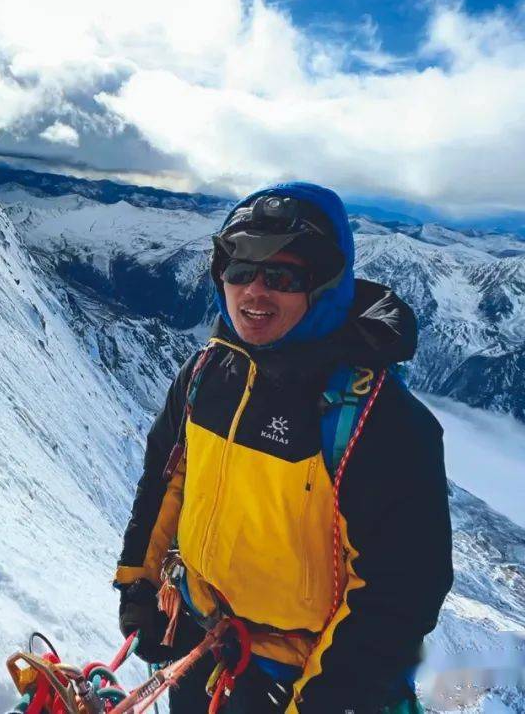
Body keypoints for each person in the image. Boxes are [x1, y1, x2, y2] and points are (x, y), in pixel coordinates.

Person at [114, 182, 453, 713]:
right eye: (239, 270)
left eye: (282, 276)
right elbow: (168, 475)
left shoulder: (380, 422)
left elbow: (397, 595)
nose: (254, 291)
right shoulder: (208, 373)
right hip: (203, 649)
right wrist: (140, 581)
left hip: (300, 681)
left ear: (323, 284)